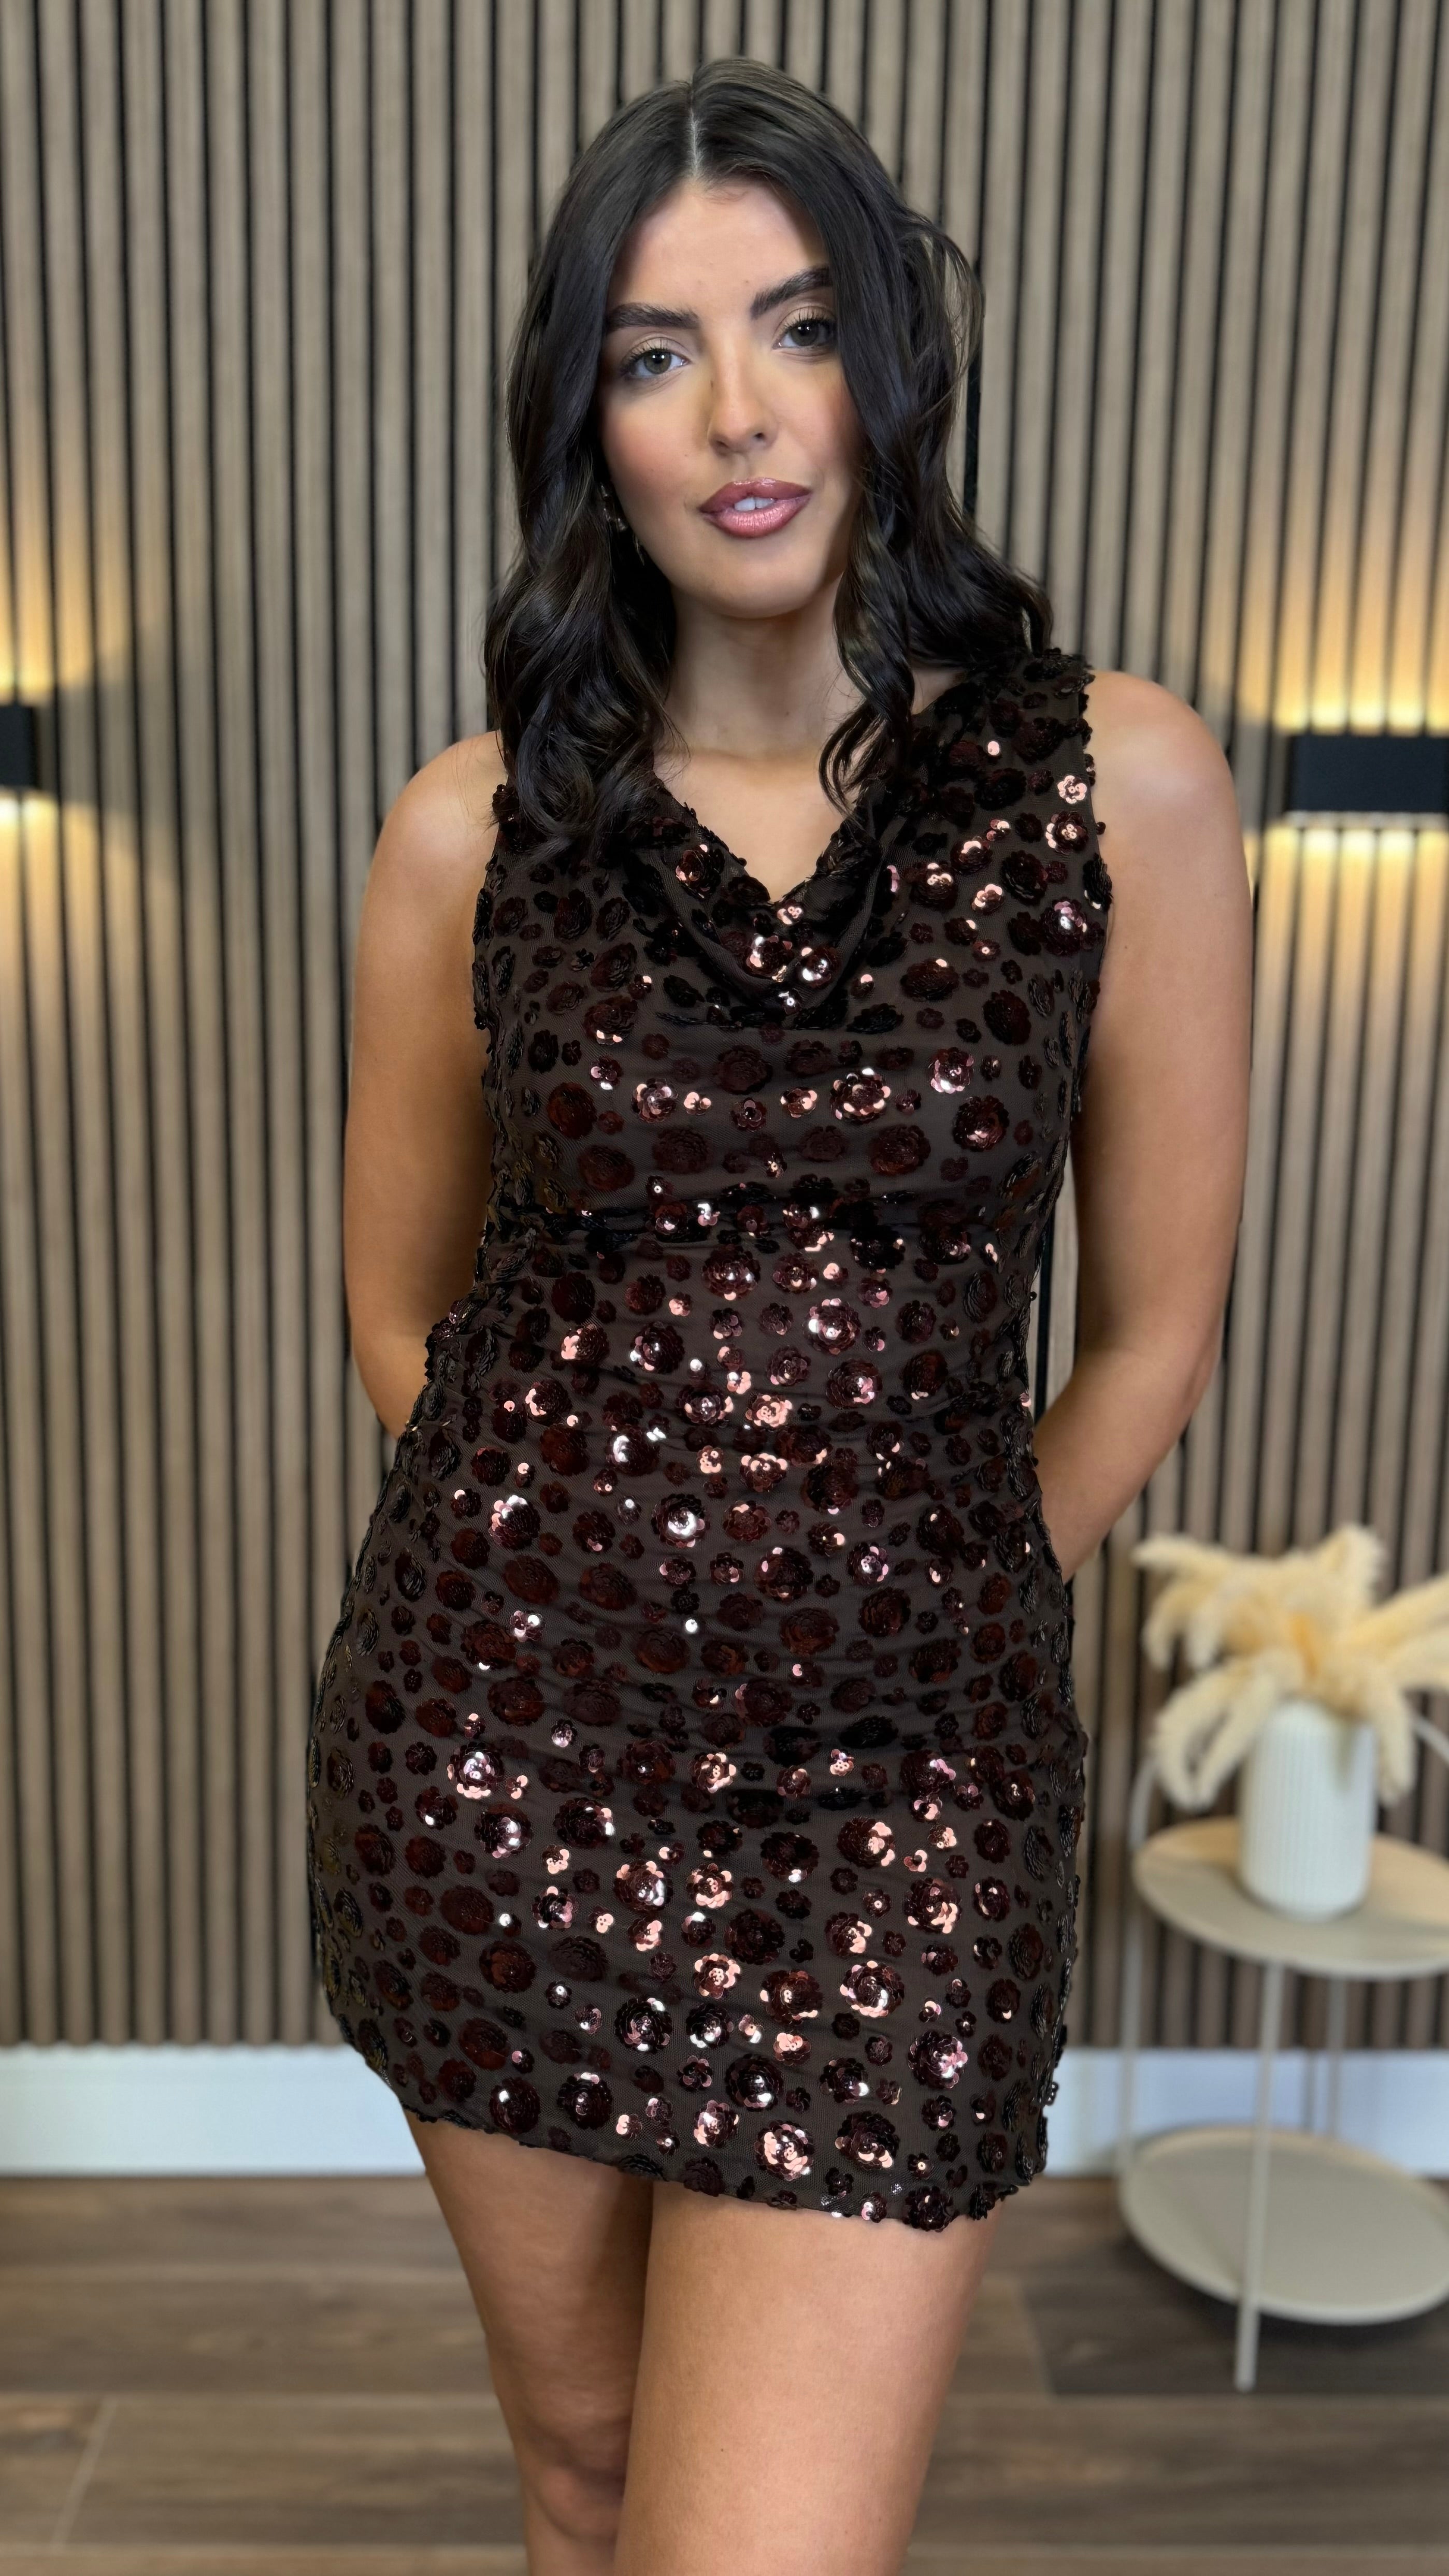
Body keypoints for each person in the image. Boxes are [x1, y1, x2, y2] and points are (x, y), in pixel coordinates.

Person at [307, 56, 1252, 2576]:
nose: (739, 410)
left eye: (799, 324)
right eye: (657, 352)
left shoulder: (1120, 786)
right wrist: (591, 1591)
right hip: (503, 1767)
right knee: (585, 2483)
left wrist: (909, 1604)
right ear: (585, 425)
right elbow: (405, 1316)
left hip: (900, 1803)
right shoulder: (464, 830)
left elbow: (1146, 1333)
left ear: (886, 363)